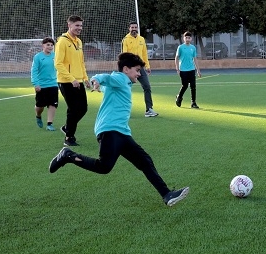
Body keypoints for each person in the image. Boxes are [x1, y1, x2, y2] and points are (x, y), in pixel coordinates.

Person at [48, 52, 190, 207]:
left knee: (145, 161)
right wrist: (96, 79)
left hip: (122, 132)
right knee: (104, 167)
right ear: (126, 69)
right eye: (137, 70)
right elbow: (107, 78)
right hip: (110, 130)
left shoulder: (123, 82)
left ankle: (167, 194)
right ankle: (68, 155)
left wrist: (99, 84)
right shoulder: (120, 78)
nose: (139, 73)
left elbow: (106, 84)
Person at [55, 15, 89, 146]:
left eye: (81, 25)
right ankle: (69, 138)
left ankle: (66, 128)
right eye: (77, 25)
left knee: (83, 108)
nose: (79, 28)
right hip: (65, 81)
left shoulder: (79, 42)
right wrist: (71, 78)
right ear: (69, 25)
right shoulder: (62, 42)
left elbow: (81, 62)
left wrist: (85, 78)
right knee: (73, 109)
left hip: (78, 81)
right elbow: (58, 64)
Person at [121, 22, 158, 117]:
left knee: (147, 87)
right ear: (129, 28)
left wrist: (147, 66)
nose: (134, 29)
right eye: (132, 27)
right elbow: (124, 55)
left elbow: (144, 54)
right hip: (129, 68)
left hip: (140, 68)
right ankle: (123, 110)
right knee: (125, 88)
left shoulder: (141, 39)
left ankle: (149, 109)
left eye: (135, 27)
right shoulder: (125, 40)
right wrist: (127, 68)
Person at [31, 38, 59, 131]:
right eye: (48, 45)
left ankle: (49, 124)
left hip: (54, 84)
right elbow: (34, 71)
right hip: (41, 85)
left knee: (53, 104)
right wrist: (36, 84)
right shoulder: (38, 57)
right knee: (40, 106)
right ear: (43, 46)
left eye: (51, 45)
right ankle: (38, 116)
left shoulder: (55, 56)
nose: (50, 47)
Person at [174, 31, 201, 109]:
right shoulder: (181, 47)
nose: (187, 39)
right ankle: (179, 97)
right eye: (186, 38)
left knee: (193, 86)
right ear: (184, 38)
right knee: (185, 85)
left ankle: (193, 102)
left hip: (191, 69)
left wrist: (198, 70)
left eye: (189, 38)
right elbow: (176, 58)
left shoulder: (193, 48)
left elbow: (195, 59)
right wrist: (177, 69)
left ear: (191, 39)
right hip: (183, 70)